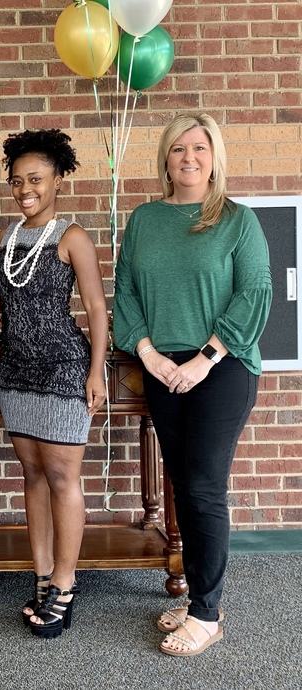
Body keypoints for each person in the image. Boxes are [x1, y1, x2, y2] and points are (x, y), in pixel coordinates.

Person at [113, 113, 272, 657]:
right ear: (165, 159)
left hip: (222, 367)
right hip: (162, 366)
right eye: (178, 148)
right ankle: (201, 597)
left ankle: (207, 613)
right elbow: (127, 291)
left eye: (199, 148)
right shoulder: (145, 220)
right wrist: (148, 351)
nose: (189, 158)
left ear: (214, 157)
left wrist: (207, 357)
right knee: (183, 486)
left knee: (203, 487)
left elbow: (254, 295)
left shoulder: (237, 221)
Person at [0, 129, 108, 639]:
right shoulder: (6, 238)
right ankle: (41, 577)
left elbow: (97, 307)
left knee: (62, 478)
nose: (24, 190)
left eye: (35, 179)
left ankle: (65, 582)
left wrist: (96, 370)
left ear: (58, 179)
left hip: (62, 369)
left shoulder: (71, 236)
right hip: (15, 371)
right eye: (17, 181)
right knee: (32, 477)